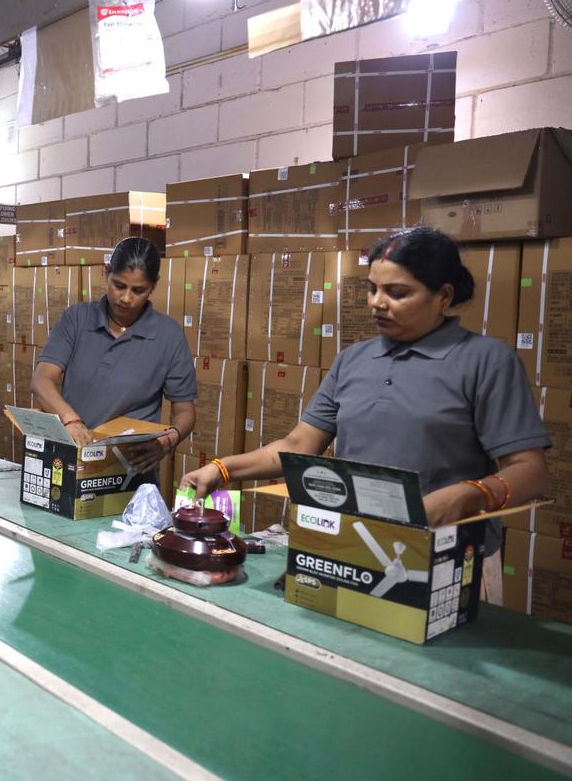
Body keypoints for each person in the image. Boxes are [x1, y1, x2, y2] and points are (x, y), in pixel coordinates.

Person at [181, 227, 550, 550]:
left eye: (398, 292)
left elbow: (530, 471)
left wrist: (472, 494)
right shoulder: (353, 361)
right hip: (354, 544)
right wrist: (222, 469)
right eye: (372, 289)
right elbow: (298, 447)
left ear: (444, 296)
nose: (377, 302)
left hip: (447, 552)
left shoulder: (485, 361)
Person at [31, 237, 196, 475]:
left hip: (130, 472)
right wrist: (71, 420)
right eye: (119, 285)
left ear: (154, 286)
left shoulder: (168, 336)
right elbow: (41, 380)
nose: (126, 298)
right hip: (73, 461)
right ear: (106, 273)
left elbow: (185, 410)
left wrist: (168, 440)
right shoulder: (77, 320)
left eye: (139, 290)